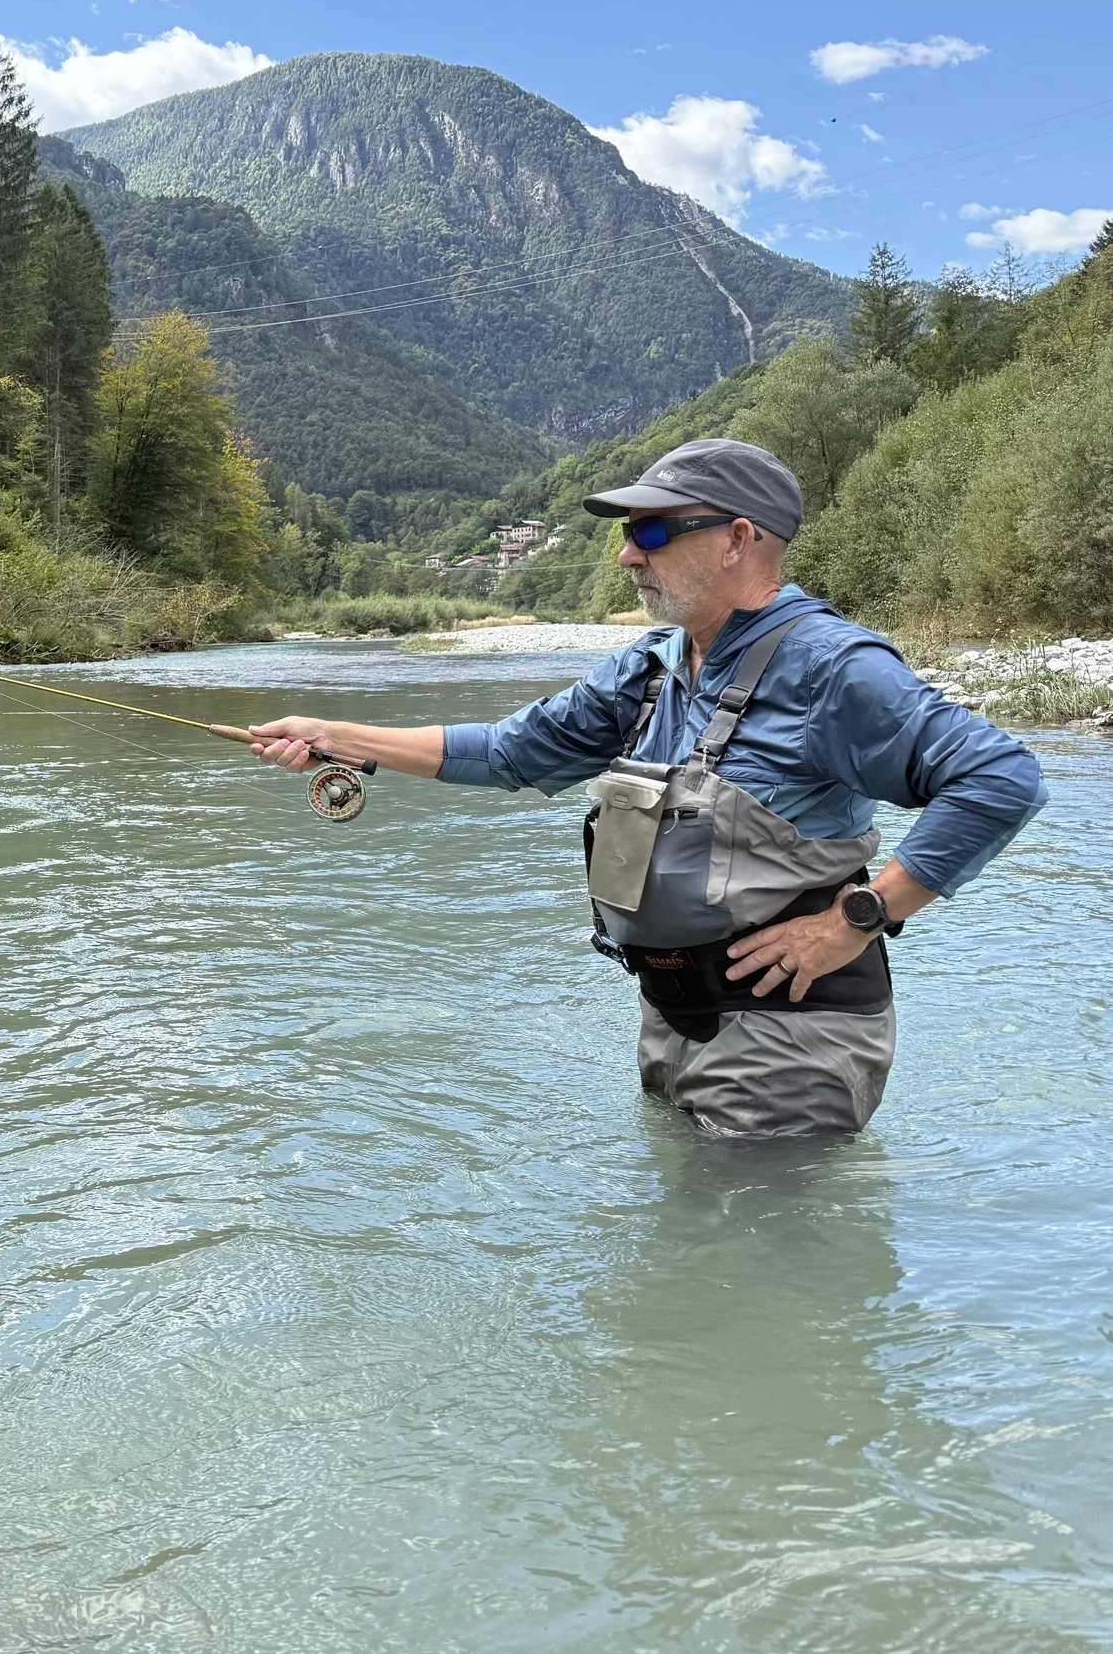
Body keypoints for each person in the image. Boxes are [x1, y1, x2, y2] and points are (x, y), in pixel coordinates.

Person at [248, 439, 1046, 1136]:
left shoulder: (831, 668)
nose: (629, 554)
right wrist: (336, 737)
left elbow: (999, 777)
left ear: (739, 538)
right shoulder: (653, 667)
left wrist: (859, 917)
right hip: (672, 1019)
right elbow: (511, 751)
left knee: (759, 1282)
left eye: (653, 530)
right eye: (629, 534)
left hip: (790, 1037)